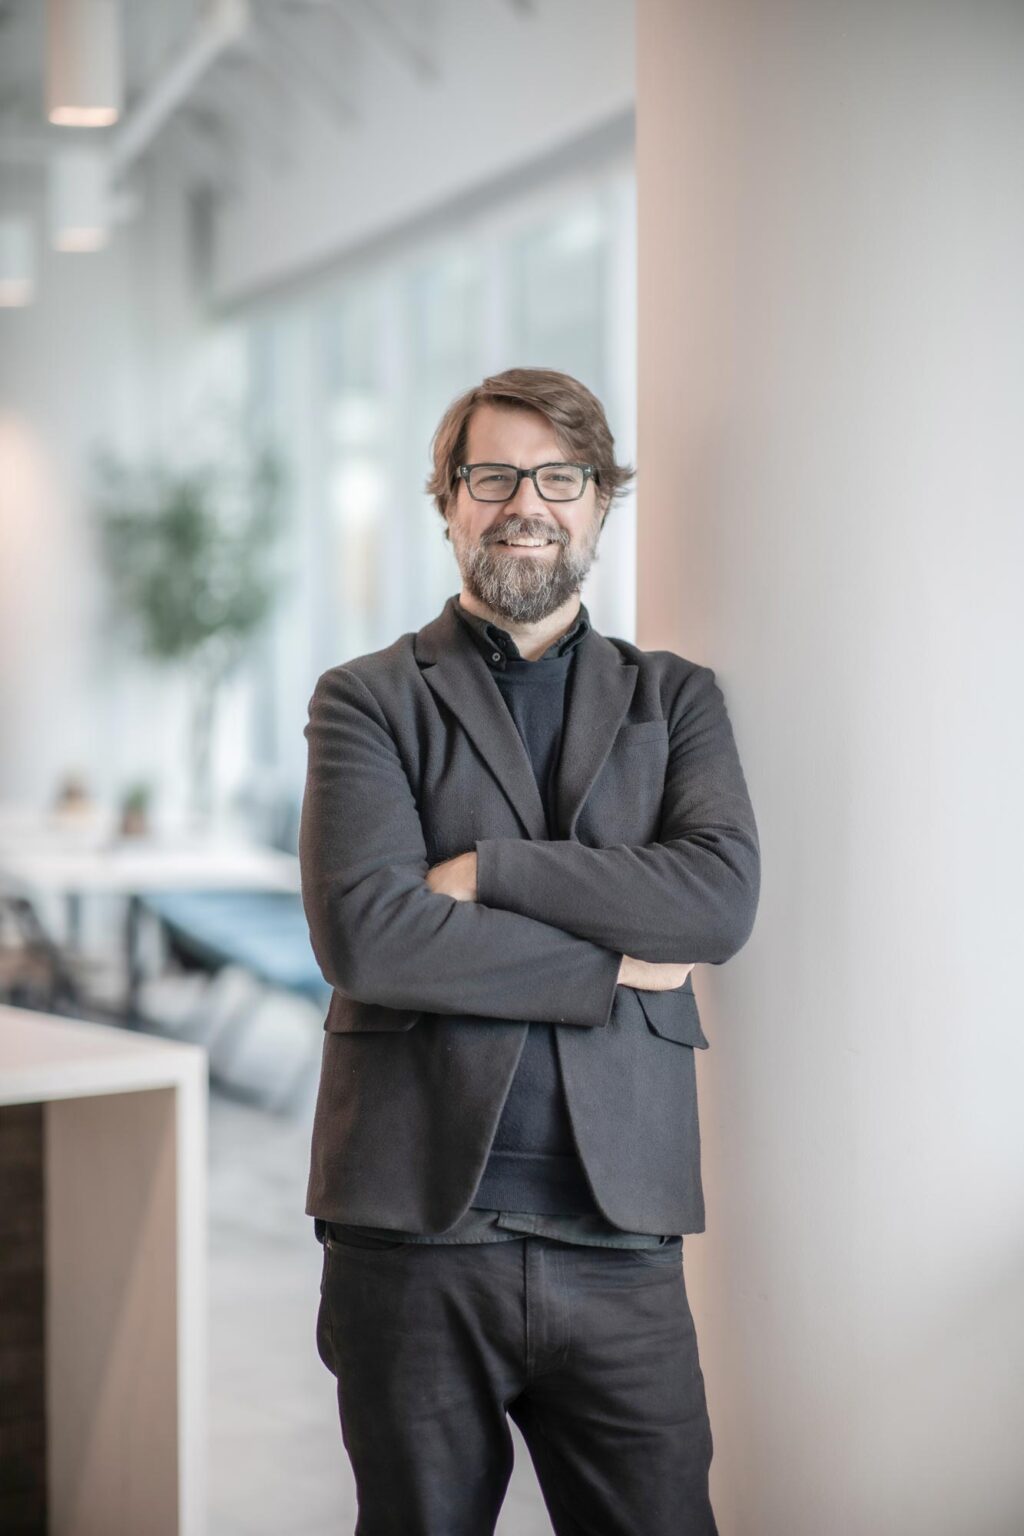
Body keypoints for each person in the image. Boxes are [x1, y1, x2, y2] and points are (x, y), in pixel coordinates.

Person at [300, 366, 760, 1535]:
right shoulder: (364, 701)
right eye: (493, 474)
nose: (526, 502)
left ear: (600, 501)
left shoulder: (677, 701)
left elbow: (711, 905)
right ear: (448, 500)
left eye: (560, 476)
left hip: (622, 1240)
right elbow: (371, 935)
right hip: (410, 1231)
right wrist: (608, 969)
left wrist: (490, 871)